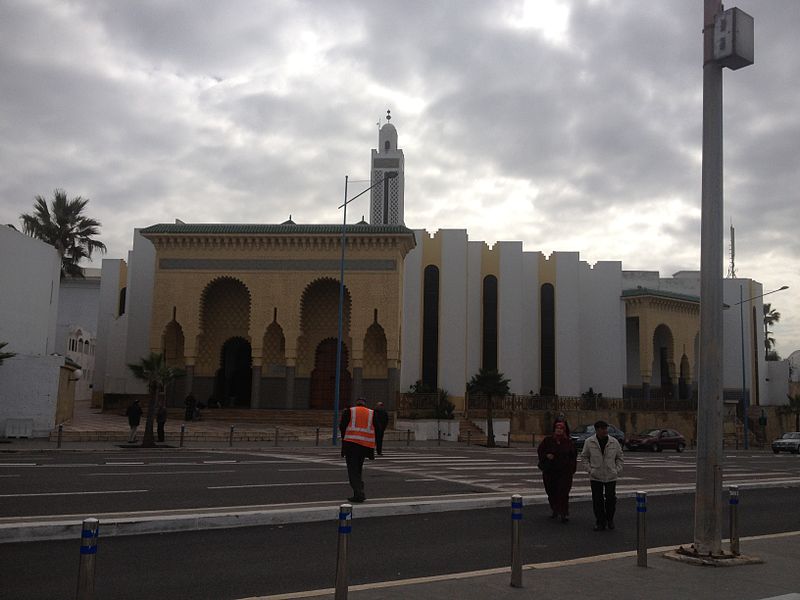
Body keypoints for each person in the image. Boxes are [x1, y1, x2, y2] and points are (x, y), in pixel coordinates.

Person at [580, 420, 624, 531]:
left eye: (606, 428)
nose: (605, 431)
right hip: (596, 476)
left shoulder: (614, 442)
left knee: (611, 499)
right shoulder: (589, 442)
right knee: (597, 500)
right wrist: (590, 470)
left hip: (611, 475)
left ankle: (610, 519)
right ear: (597, 430)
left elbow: (620, 457)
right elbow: (584, 457)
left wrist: (617, 469)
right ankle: (600, 521)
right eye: (602, 429)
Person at [537, 421, 577, 522]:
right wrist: (546, 455)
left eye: (561, 428)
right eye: (557, 428)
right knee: (551, 491)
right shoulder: (548, 440)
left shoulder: (568, 442)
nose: (559, 430)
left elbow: (573, 456)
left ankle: (564, 512)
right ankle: (555, 509)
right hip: (550, 471)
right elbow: (540, 450)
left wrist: (572, 468)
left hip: (564, 472)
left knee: (563, 492)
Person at [339, 398, 376, 503]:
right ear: (365, 404)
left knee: (352, 470)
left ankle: (359, 493)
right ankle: (358, 492)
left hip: (351, 444)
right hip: (364, 446)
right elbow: (377, 427)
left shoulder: (350, 411)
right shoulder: (371, 413)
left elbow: (342, 427)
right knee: (358, 470)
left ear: (357, 403)